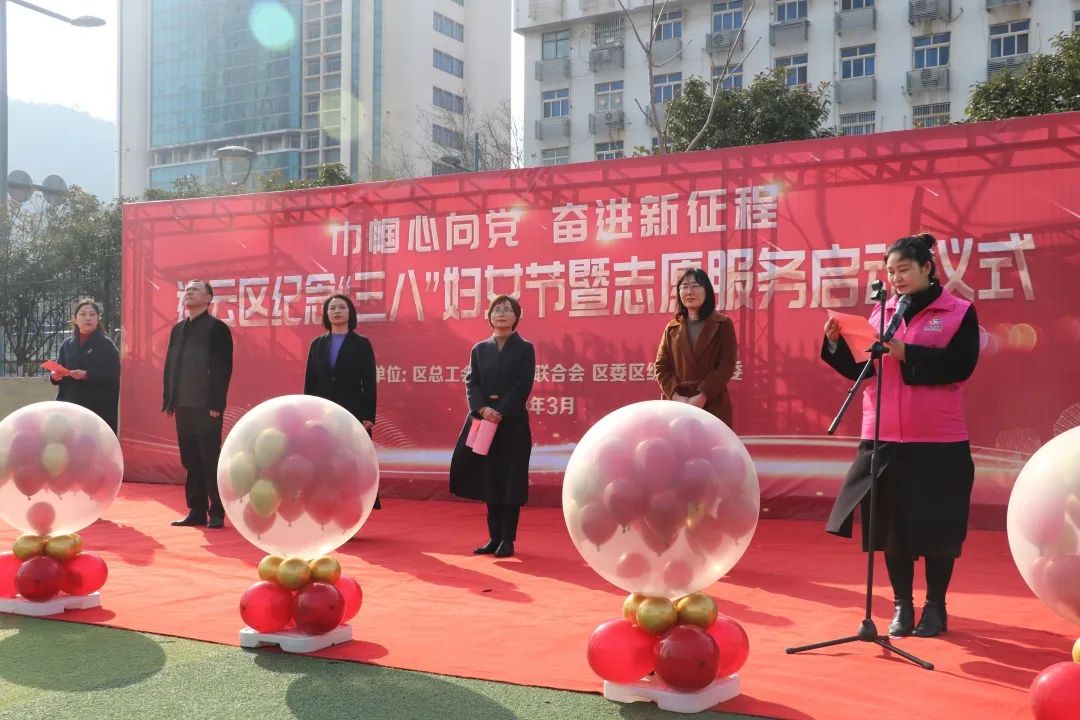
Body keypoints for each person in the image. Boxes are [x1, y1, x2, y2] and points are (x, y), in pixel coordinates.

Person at [822, 233, 979, 638]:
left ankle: (936, 607)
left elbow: (960, 365)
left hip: (938, 440)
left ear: (927, 268)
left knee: (938, 529)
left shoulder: (958, 311)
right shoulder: (882, 312)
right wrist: (837, 343)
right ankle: (902, 605)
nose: (896, 278)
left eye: (904, 269)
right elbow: (864, 370)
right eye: (891, 272)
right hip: (883, 435)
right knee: (892, 529)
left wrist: (904, 352)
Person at [449, 295, 536, 558]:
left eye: (507, 310)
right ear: (489, 316)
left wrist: (502, 410)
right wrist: (482, 408)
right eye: (496, 309)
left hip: (512, 423)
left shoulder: (525, 348)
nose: (501, 313)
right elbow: (472, 382)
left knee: (510, 480)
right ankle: (494, 537)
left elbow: (523, 384)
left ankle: (507, 540)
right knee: (488, 478)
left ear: (516, 317)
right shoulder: (479, 349)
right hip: (484, 422)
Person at [162, 280, 234, 529]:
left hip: (206, 405)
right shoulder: (178, 329)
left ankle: (217, 511)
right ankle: (196, 510)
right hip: (183, 404)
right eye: (187, 290)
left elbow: (223, 369)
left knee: (210, 458)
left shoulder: (217, 329)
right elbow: (171, 366)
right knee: (190, 459)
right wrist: (169, 399)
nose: (189, 292)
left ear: (208, 299)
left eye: (195, 290)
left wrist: (216, 403)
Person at [304, 293, 380, 509]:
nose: (337, 311)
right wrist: (308, 413)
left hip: (353, 412)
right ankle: (324, 502)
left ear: (350, 313)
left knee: (351, 460)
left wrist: (368, 415)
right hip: (323, 413)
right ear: (326, 314)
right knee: (324, 459)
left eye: (342, 307)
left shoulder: (361, 344)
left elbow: (369, 382)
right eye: (332, 308)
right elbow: (310, 381)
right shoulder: (317, 344)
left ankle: (355, 504)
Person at [654, 267, 738, 427]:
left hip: (712, 402)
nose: (689, 291)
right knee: (678, 442)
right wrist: (676, 396)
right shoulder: (672, 327)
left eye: (695, 285)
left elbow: (726, 365)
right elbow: (661, 366)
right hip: (677, 404)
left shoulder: (723, 324)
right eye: (684, 286)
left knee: (711, 442)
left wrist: (703, 396)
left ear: (707, 290)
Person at [50, 299, 121, 434]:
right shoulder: (67, 345)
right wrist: (55, 376)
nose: (88, 318)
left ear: (98, 319)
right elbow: (58, 369)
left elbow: (113, 375)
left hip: (97, 410)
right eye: (83, 314)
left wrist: (86, 375)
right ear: (75, 319)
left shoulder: (106, 345)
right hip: (70, 408)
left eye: (92, 314)